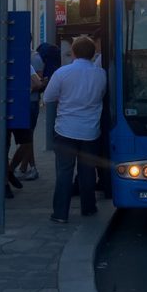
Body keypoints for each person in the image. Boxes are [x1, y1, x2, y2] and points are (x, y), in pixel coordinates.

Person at [43, 35, 106, 223]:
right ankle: (89, 208)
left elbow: (48, 98)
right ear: (93, 53)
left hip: (65, 130)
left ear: (74, 52)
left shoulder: (62, 73)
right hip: (90, 131)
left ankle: (60, 213)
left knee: (64, 172)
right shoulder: (100, 74)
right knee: (87, 172)